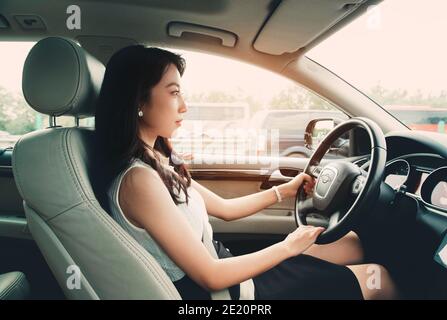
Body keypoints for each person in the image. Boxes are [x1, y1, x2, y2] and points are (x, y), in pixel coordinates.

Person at [93, 45, 397, 300]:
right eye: (174, 93)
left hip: (226, 267)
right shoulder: (138, 180)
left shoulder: (157, 161)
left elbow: (225, 209)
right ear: (139, 102)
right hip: (225, 295)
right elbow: (210, 277)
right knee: (377, 278)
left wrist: (286, 190)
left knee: (350, 243)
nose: (184, 106)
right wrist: (287, 247)